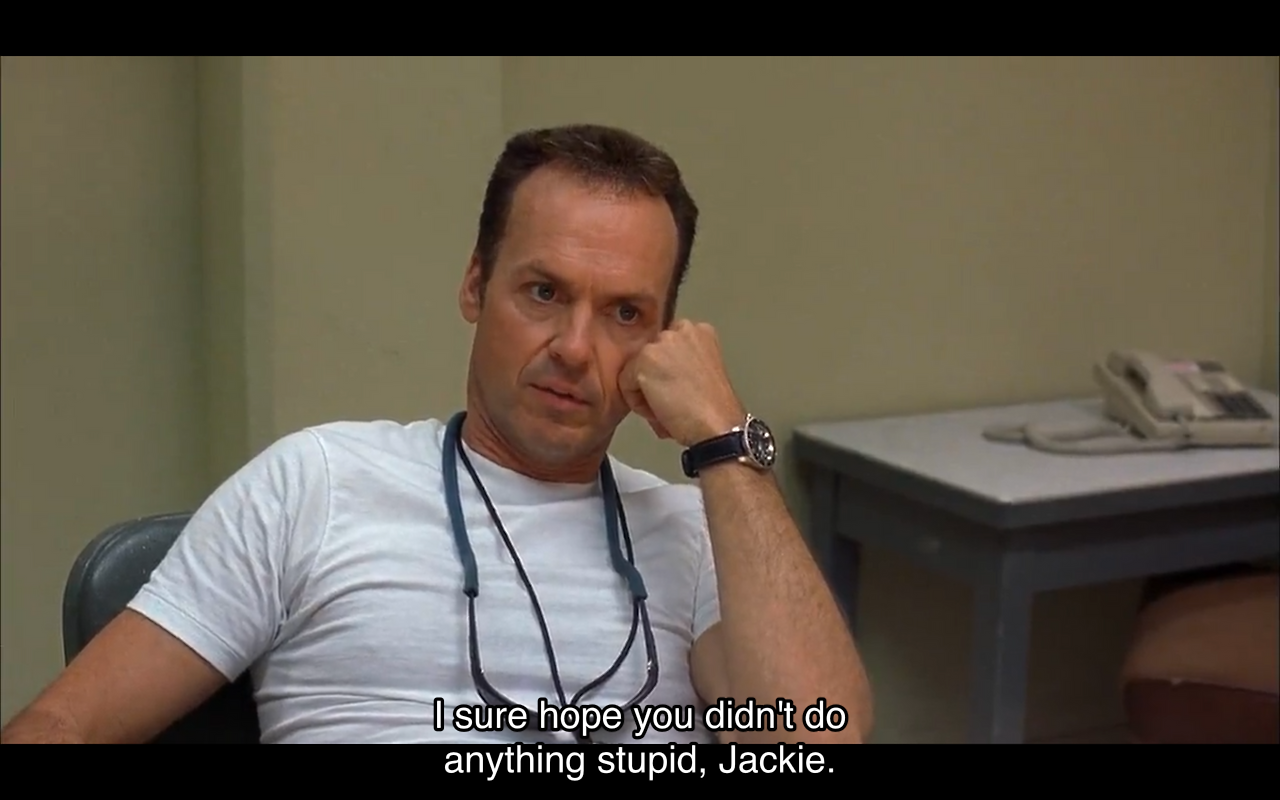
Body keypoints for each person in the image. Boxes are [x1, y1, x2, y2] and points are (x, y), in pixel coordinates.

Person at [0, 123, 871, 745]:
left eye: (624, 314)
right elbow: (63, 724)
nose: (575, 348)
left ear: (663, 342)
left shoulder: (697, 532)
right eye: (543, 293)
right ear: (475, 286)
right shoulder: (319, 485)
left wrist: (723, 443)